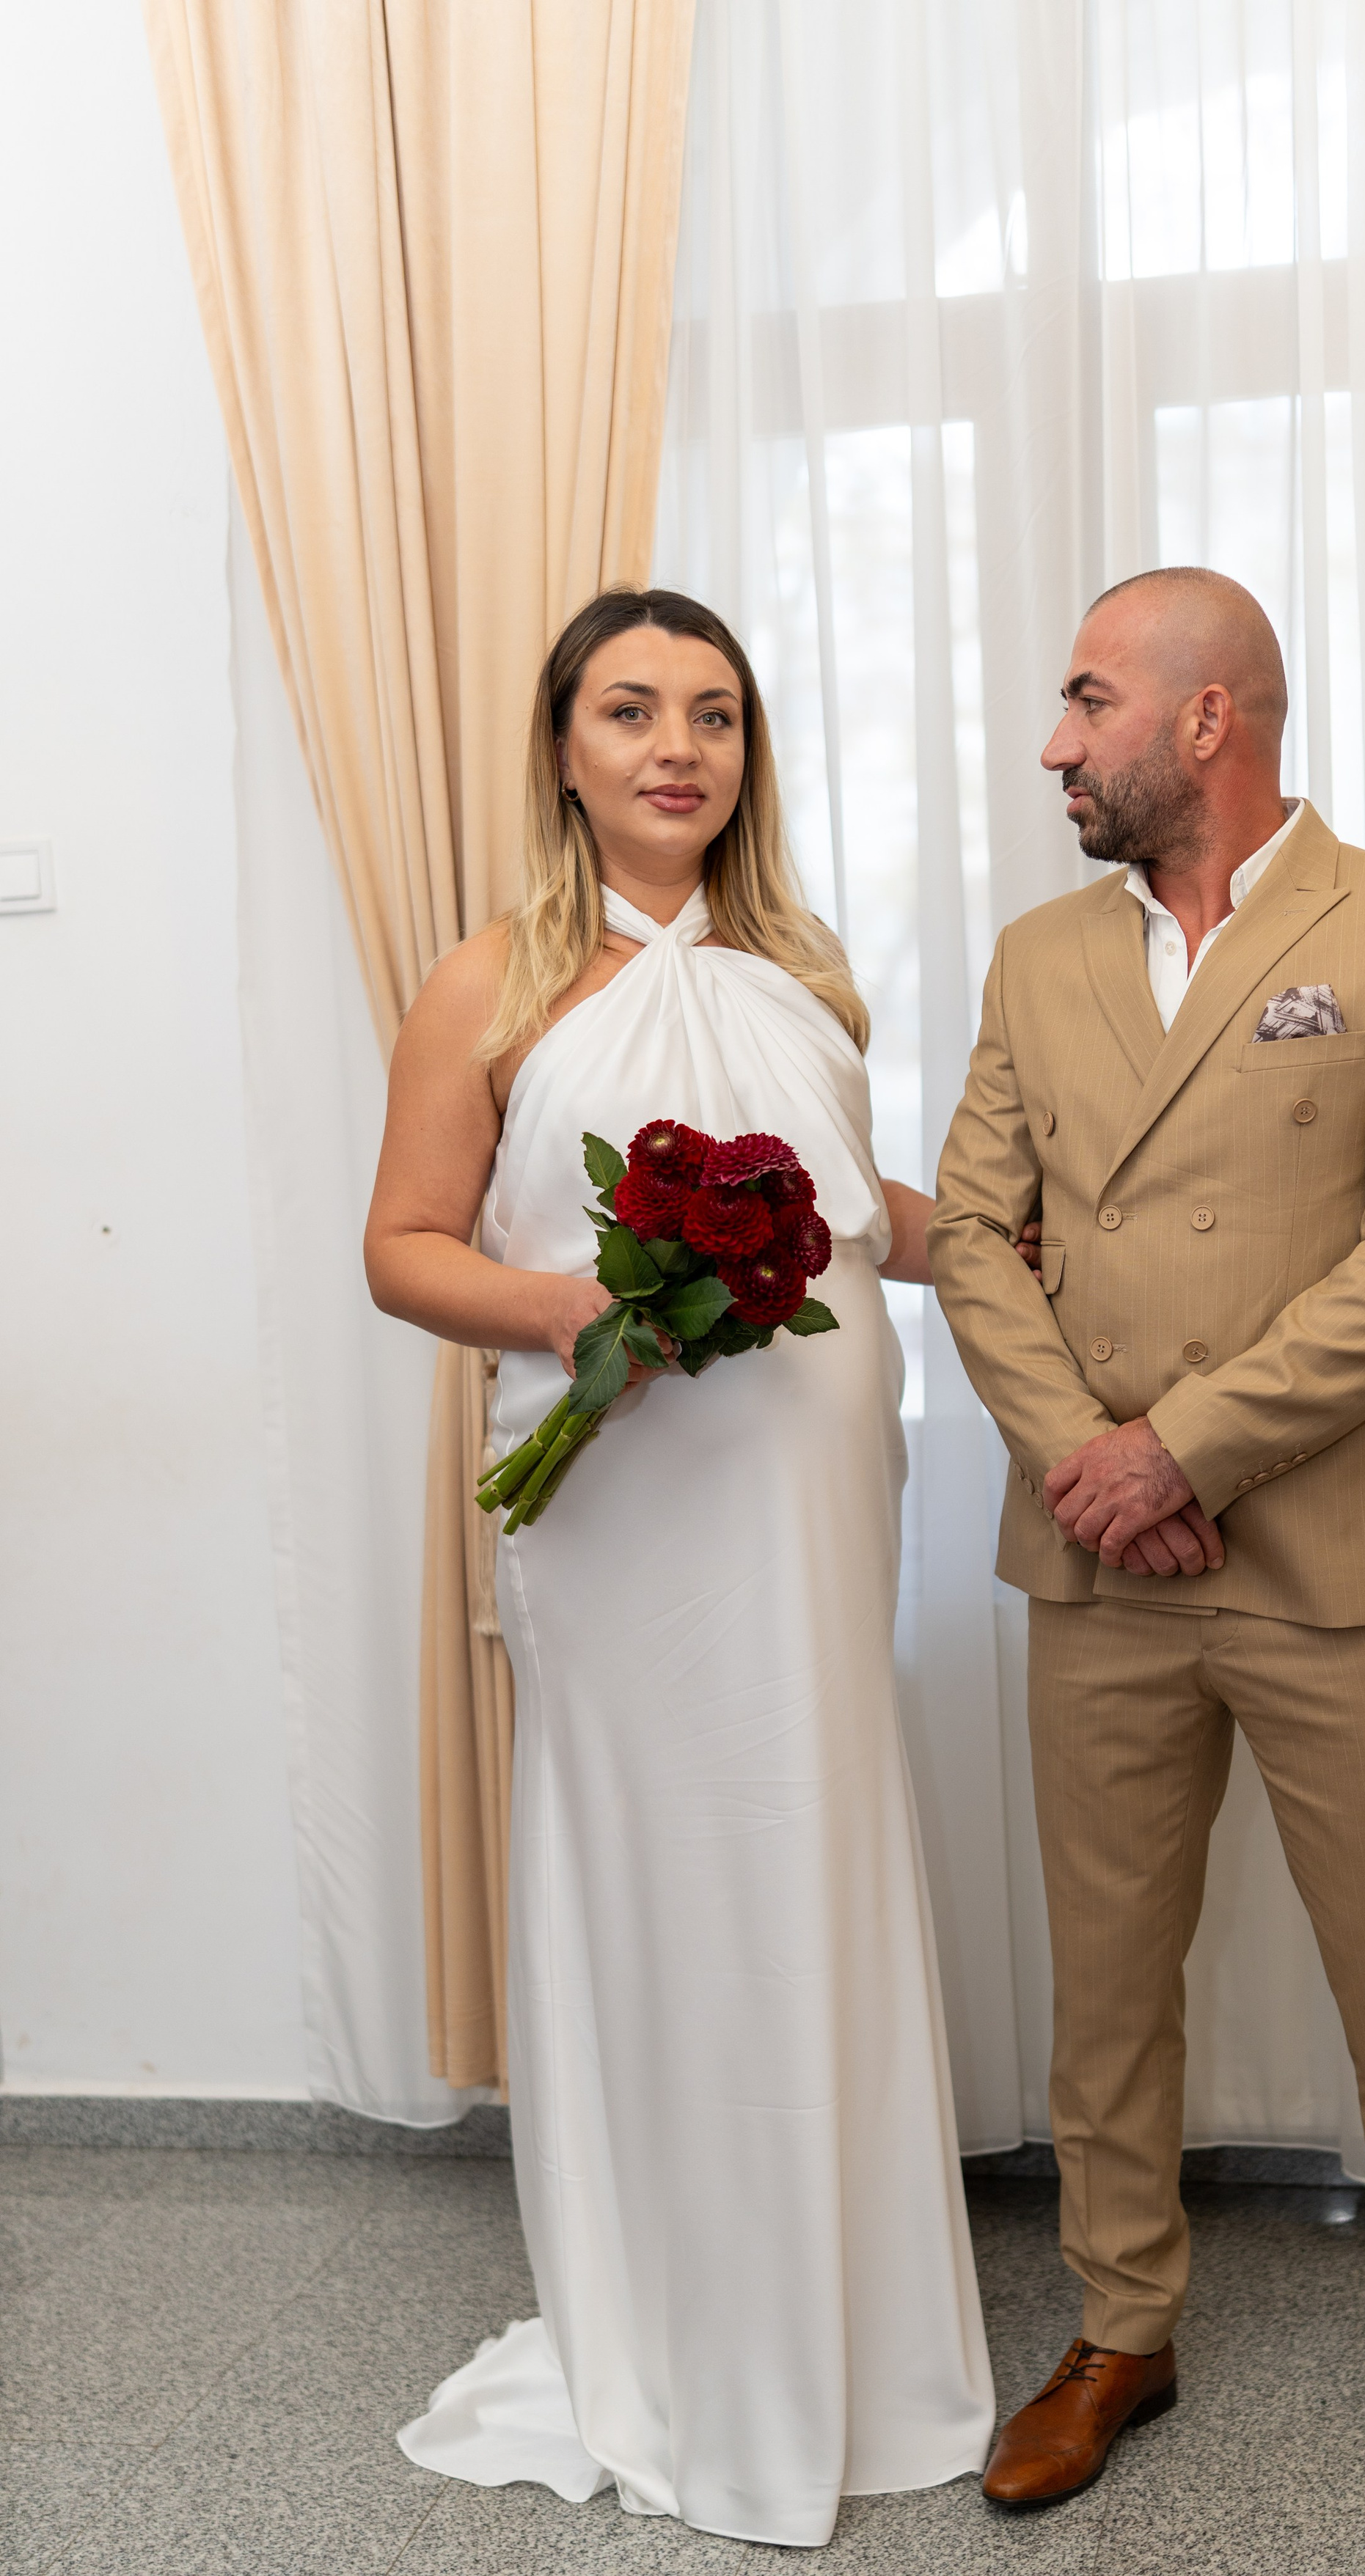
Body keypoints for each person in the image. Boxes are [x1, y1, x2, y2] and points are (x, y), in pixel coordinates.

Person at [365, 587, 994, 2548]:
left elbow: (850, 1208)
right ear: (562, 744)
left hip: (810, 1498)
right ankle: (673, 2325)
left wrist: (1015, 1230)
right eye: (632, 710)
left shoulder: (809, 973)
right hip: (628, 1507)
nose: (678, 747)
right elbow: (403, 1243)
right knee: (662, 1868)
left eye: (715, 715)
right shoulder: (491, 978)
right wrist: (568, 1303)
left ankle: (841, 2318)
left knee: (811, 1850)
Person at [928, 568, 1365, 2550]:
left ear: (1210, 718)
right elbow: (966, 1230)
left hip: (1332, 1558)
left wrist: (1178, 1446)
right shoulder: (1037, 957)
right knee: (1107, 1988)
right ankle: (1122, 2325)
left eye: (1084, 696)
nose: (1053, 741)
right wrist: (1087, 1464)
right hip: (1099, 1567)